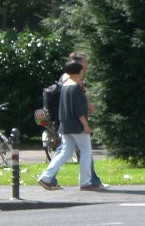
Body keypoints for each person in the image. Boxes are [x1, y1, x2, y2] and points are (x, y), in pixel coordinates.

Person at [38, 60, 100, 191]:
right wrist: (85, 125)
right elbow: (79, 110)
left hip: (65, 125)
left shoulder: (65, 86)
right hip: (77, 126)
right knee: (86, 152)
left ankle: (46, 177)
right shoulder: (76, 88)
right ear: (79, 72)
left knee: (65, 152)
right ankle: (85, 182)